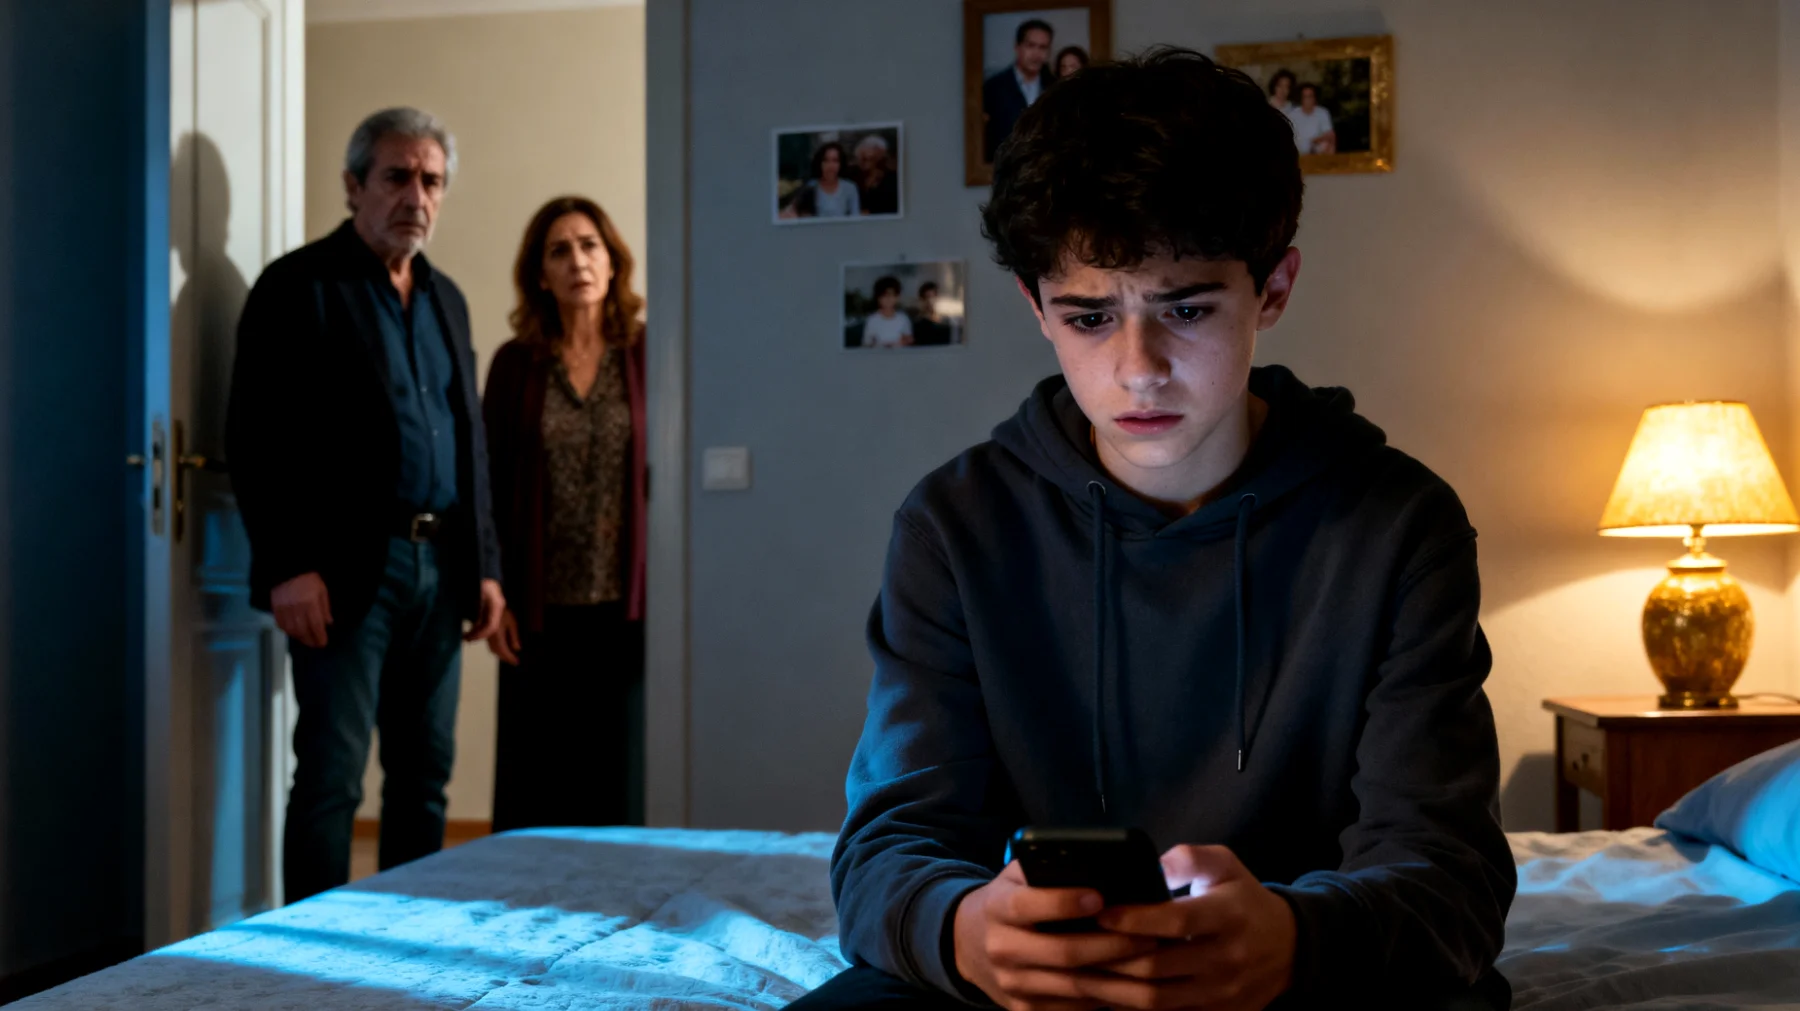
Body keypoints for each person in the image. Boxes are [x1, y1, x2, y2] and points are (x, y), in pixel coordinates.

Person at [797, 48, 1514, 1010]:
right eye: (1089, 317)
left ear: (1273, 288)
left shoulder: (1399, 526)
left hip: (1310, 979)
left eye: (1185, 308)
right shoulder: (954, 527)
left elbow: (1447, 873)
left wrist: (1294, 941)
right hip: (1037, 986)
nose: (1139, 368)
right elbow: (891, 848)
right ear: (1036, 309)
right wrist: (964, 931)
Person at [226, 107, 505, 904]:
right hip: (345, 570)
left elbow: (469, 440)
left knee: (425, 775)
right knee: (332, 776)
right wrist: (287, 565)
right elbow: (256, 436)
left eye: (432, 181)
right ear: (353, 185)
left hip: (441, 569)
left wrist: (486, 566)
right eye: (397, 176)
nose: (416, 196)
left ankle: (407, 937)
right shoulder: (297, 286)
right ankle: (311, 948)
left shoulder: (447, 297)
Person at [481, 196, 647, 832]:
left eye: (589, 245)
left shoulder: (648, 354)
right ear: (541, 275)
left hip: (628, 609)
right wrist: (493, 588)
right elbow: (489, 484)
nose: (577, 260)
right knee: (537, 785)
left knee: (617, 782)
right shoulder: (515, 364)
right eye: (559, 250)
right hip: (537, 608)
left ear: (613, 262)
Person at [983, 18, 1053, 163]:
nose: (1036, 54)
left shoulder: (1053, 87)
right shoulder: (994, 87)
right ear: (1017, 47)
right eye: (1031, 45)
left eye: (1043, 47)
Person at [780, 141, 859, 219]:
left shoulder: (850, 188)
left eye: (835, 161)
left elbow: (855, 217)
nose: (830, 165)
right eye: (826, 160)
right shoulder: (810, 187)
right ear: (820, 163)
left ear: (841, 164)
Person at [860, 276, 913, 348]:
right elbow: (866, 344)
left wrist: (903, 342)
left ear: (897, 297)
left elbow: (909, 340)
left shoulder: (903, 319)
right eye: (884, 296)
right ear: (878, 298)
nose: (888, 299)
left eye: (891, 295)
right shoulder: (872, 320)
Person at [853, 134, 899, 217]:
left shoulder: (894, 181)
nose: (861, 163)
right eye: (859, 158)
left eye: (867, 159)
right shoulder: (852, 179)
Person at [1288, 82, 1336, 154]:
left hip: (1317, 149)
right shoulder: (1292, 115)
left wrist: (1315, 141)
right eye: (1305, 97)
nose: (1308, 100)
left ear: (1314, 98)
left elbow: (1330, 135)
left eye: (1310, 96)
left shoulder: (1323, 113)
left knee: (1327, 145)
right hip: (1298, 151)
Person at [911, 280, 953, 346]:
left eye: (933, 297)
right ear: (921, 300)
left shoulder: (945, 322)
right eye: (927, 297)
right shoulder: (917, 324)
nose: (930, 301)